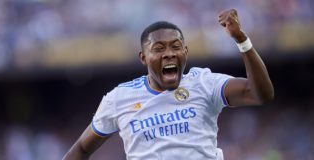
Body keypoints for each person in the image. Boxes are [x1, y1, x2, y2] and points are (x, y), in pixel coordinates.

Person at [63, 9, 274, 160]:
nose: (169, 54)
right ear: (143, 58)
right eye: (159, 48)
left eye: (176, 46)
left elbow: (260, 94)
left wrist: (242, 40)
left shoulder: (203, 83)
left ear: (186, 52)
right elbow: (82, 148)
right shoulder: (119, 98)